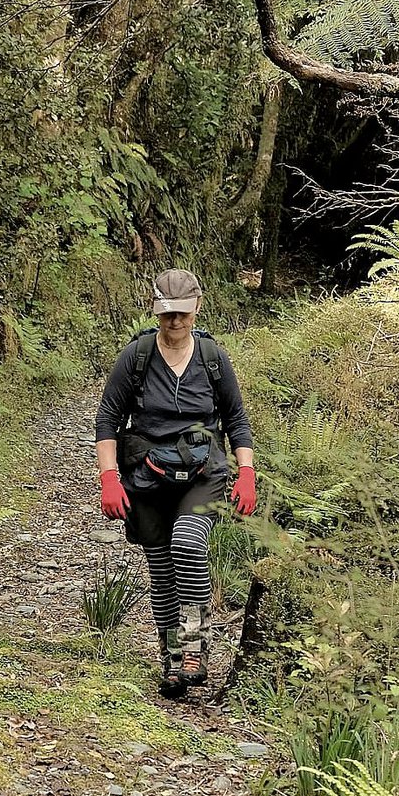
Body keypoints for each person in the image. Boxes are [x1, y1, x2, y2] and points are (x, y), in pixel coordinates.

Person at [94, 268, 256, 698]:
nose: (176, 321)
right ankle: (172, 659)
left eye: (183, 312)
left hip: (203, 473)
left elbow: (236, 419)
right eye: (168, 313)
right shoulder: (137, 356)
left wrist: (246, 472)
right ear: (156, 311)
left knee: (187, 542)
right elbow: (108, 419)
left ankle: (195, 648)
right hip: (147, 475)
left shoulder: (212, 358)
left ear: (197, 308)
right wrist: (109, 477)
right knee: (162, 569)